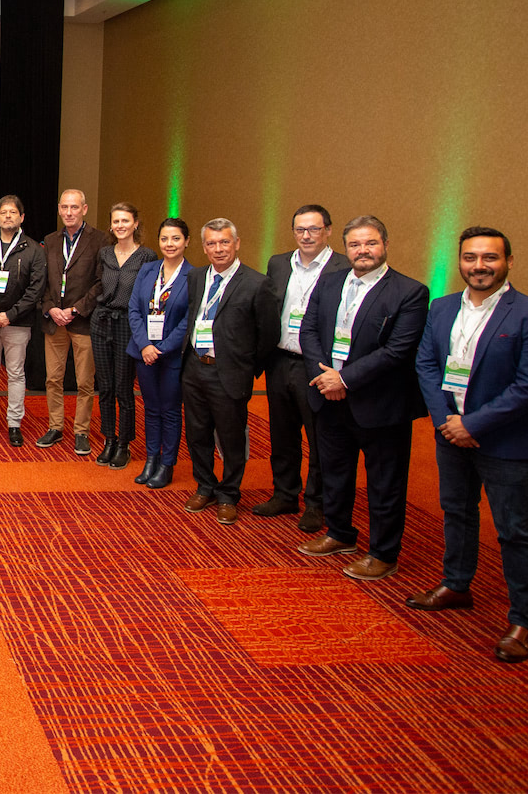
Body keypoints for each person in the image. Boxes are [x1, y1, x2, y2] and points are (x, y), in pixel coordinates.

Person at [409, 227, 528, 663]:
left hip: (506, 441)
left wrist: (472, 424)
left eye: (490, 258)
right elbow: (427, 365)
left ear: (508, 262)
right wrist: (446, 422)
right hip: (451, 434)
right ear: (461, 261)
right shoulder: (441, 308)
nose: (479, 266)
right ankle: (456, 584)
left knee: (513, 531)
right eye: (471, 257)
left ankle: (522, 621)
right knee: (457, 512)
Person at [297, 215, 429, 581]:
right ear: (345, 248)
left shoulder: (410, 292)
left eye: (370, 243)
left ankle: (384, 553)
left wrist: (344, 378)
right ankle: (339, 533)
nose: (363, 250)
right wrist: (326, 378)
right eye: (355, 244)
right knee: (335, 472)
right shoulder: (330, 281)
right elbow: (308, 330)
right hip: (329, 397)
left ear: (385, 245)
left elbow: (397, 350)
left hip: (380, 404)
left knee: (385, 483)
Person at [180, 218, 277, 526]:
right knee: (197, 433)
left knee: (232, 438)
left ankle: (228, 494)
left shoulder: (257, 283)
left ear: (236, 244)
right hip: (194, 367)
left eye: (224, 242)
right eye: (212, 243)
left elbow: (268, 334)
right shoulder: (196, 277)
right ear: (204, 247)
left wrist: (246, 367)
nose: (218, 249)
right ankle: (205, 486)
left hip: (230, 373)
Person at [259, 204, 350, 530]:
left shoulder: (343, 266)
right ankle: (285, 493)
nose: (306, 235)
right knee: (282, 433)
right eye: (300, 229)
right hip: (280, 360)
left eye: (313, 229)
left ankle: (316, 503)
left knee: (319, 436)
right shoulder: (278, 263)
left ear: (328, 230)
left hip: (317, 365)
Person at [0, 195, 47, 447]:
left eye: (13, 212)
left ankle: (14, 424)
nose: (8, 216)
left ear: (22, 217)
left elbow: (35, 290)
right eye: (3, 212)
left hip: (17, 322)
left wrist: (10, 314)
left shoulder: (34, 250)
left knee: (15, 373)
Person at [126, 218, 196, 488]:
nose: (170, 244)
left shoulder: (194, 276)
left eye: (176, 238)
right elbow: (134, 309)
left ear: (187, 241)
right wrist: (144, 345)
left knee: (170, 410)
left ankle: (167, 464)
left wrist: (161, 348)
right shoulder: (148, 270)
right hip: (144, 352)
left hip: (172, 356)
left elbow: (188, 321)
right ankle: (151, 459)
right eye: (165, 238)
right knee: (151, 408)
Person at [92, 203, 157, 467]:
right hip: (101, 322)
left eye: (125, 221)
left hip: (129, 325)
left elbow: (149, 294)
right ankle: (109, 438)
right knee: (105, 386)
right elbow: (98, 284)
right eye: (116, 221)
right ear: (111, 225)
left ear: (135, 224)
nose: (120, 226)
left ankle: (124, 443)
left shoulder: (147, 256)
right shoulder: (105, 253)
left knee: (123, 388)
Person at [37, 189, 102, 450]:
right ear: (59, 209)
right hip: (55, 320)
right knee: (53, 379)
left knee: (85, 381)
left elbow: (100, 283)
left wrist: (76, 310)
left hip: (82, 320)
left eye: (74, 207)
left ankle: (81, 431)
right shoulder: (50, 240)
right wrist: (50, 308)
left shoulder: (99, 240)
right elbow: (42, 281)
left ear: (84, 209)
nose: (69, 212)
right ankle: (55, 427)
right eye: (64, 207)